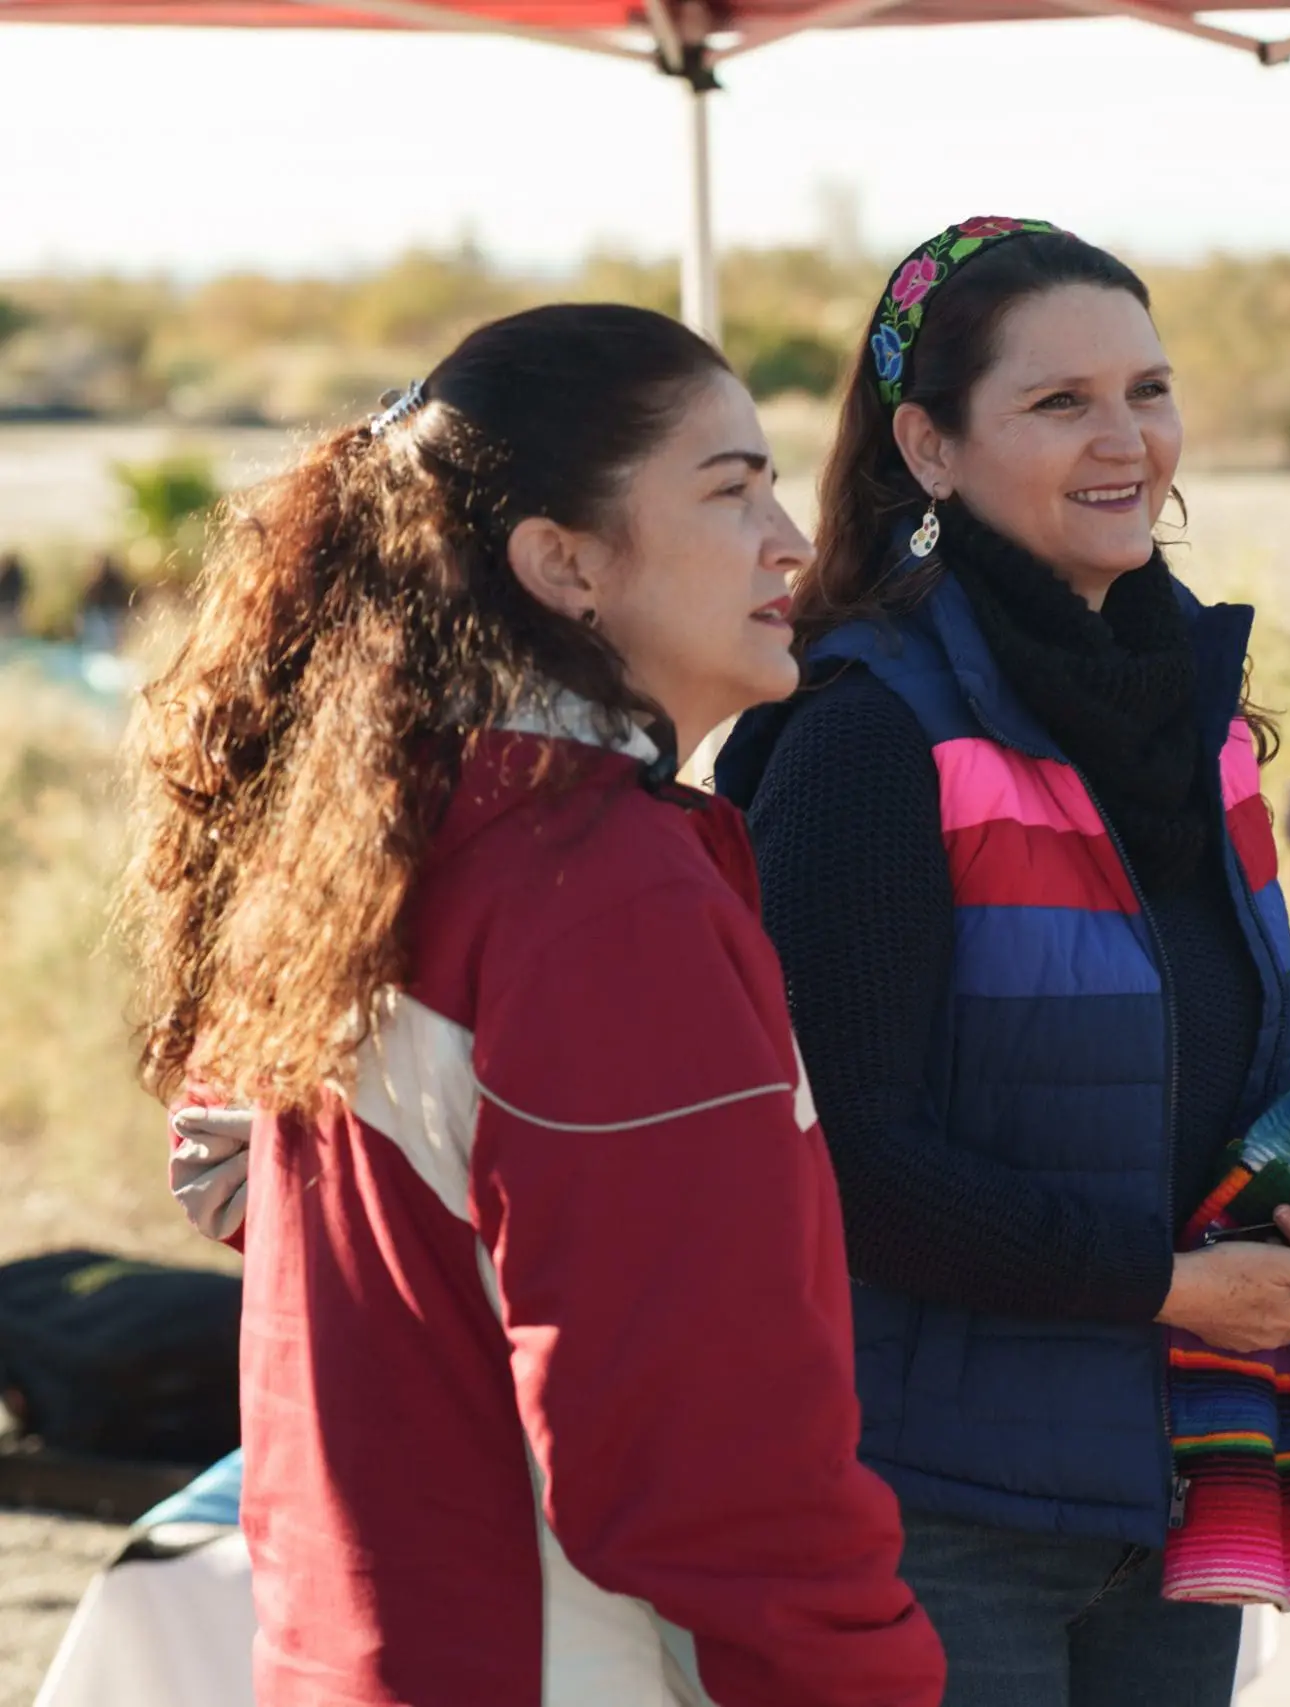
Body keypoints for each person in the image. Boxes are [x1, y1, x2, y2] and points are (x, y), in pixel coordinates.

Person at [122, 304, 943, 1707]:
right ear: (564, 561)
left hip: (365, 1644)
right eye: (731, 487)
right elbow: (705, 1461)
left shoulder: (383, 839)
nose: (789, 540)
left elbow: (237, 1184)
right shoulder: (599, 898)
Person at [712, 220, 1290, 1705]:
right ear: (928, 448)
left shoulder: (1189, 711)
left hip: (1173, 1471)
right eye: (1059, 401)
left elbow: (1196, 1071)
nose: (1126, 438)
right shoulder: (863, 736)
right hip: (935, 1505)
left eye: (1147, 390)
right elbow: (848, 1162)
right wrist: (1164, 1280)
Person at [0, 551, 28, 638]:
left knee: (8, 619)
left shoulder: (11, 573)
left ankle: (9, 637)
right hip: (11, 601)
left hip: (8, 601)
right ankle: (9, 637)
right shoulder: (16, 573)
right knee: (10, 620)